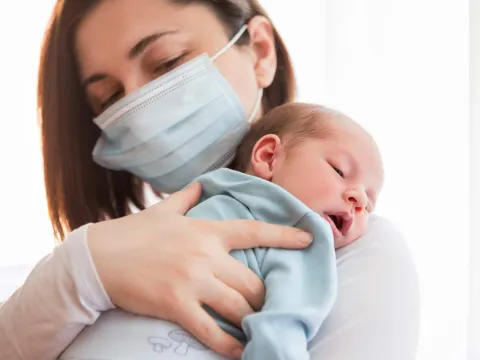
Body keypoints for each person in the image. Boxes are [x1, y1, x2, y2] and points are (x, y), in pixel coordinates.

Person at [0, 1, 420, 360]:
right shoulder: (102, 254)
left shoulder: (350, 248)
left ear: (259, 51)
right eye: (110, 97)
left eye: (167, 62)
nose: (140, 110)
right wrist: (78, 273)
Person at [60, 102, 384, 360]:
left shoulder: (182, 206)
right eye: (340, 170)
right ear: (269, 156)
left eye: (369, 203)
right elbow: (281, 331)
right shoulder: (298, 237)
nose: (359, 199)